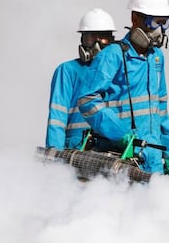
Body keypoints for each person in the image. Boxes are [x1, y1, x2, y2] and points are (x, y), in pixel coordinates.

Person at [77, 0, 169, 175]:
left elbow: (161, 105)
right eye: (152, 22)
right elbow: (87, 99)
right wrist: (119, 133)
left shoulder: (156, 57)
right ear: (135, 18)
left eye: (163, 23)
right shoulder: (113, 55)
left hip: (152, 156)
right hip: (120, 157)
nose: (158, 30)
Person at [45, 8, 117, 150]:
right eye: (90, 38)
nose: (97, 45)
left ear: (112, 41)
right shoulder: (67, 71)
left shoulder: (119, 72)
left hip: (111, 150)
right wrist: (54, 156)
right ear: (82, 39)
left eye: (103, 38)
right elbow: (57, 119)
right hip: (75, 151)